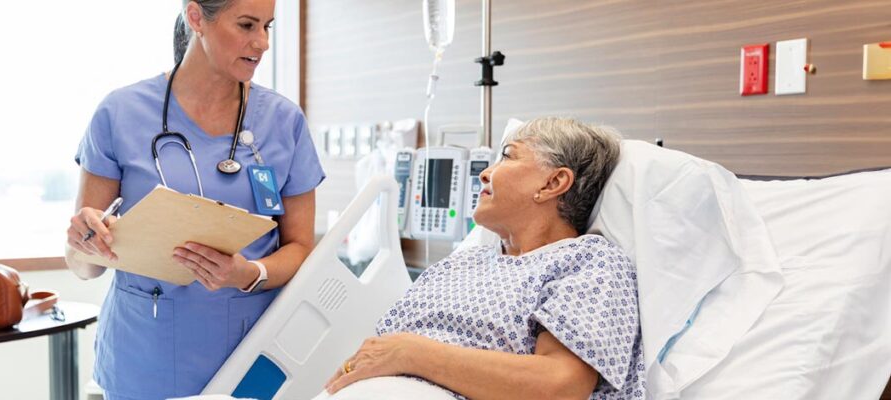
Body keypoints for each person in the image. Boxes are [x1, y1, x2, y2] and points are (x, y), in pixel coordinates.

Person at [64, 0, 325, 399]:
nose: (263, 42)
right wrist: (84, 243)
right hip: (144, 359)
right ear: (196, 17)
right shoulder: (120, 113)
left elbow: (302, 247)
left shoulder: (283, 121)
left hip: (254, 355)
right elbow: (84, 264)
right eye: (247, 25)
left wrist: (248, 273)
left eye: (268, 26)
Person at [322, 117, 645, 399]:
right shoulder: (461, 263)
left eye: (507, 157)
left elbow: (560, 386)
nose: (486, 173)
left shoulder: (588, 262)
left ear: (553, 183)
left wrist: (411, 353)